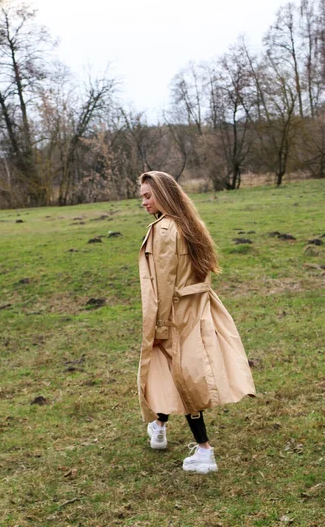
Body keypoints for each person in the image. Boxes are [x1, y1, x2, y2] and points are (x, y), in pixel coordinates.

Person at [137, 171, 256, 474]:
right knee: (173, 371)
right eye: (142, 196)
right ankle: (160, 426)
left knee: (184, 378)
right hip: (196, 308)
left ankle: (204, 451)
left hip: (176, 314)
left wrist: (161, 326)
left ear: (163, 194)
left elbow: (164, 282)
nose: (144, 202)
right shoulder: (189, 223)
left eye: (148, 196)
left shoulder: (164, 230)